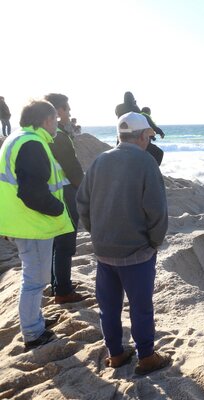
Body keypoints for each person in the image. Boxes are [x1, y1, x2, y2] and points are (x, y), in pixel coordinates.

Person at [77, 112, 170, 374]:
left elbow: (82, 203)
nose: (149, 141)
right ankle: (147, 357)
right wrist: (154, 241)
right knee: (140, 308)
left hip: (104, 251)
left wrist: (97, 232)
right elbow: (157, 210)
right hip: (137, 252)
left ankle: (116, 355)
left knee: (109, 307)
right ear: (142, 136)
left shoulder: (100, 160)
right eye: (149, 136)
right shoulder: (146, 162)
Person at [0, 100, 74, 350]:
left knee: (35, 276)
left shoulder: (21, 138)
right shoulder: (31, 143)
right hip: (31, 223)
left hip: (23, 221)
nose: (58, 124)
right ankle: (32, 332)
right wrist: (58, 208)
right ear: (46, 120)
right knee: (35, 279)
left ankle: (36, 321)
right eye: (55, 119)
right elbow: (31, 191)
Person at [44, 93, 86, 304]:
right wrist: (86, 190)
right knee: (65, 243)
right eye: (67, 110)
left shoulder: (46, 134)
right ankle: (63, 290)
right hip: (65, 192)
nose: (69, 114)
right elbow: (73, 169)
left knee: (57, 242)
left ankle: (58, 284)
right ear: (58, 112)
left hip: (53, 192)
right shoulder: (58, 136)